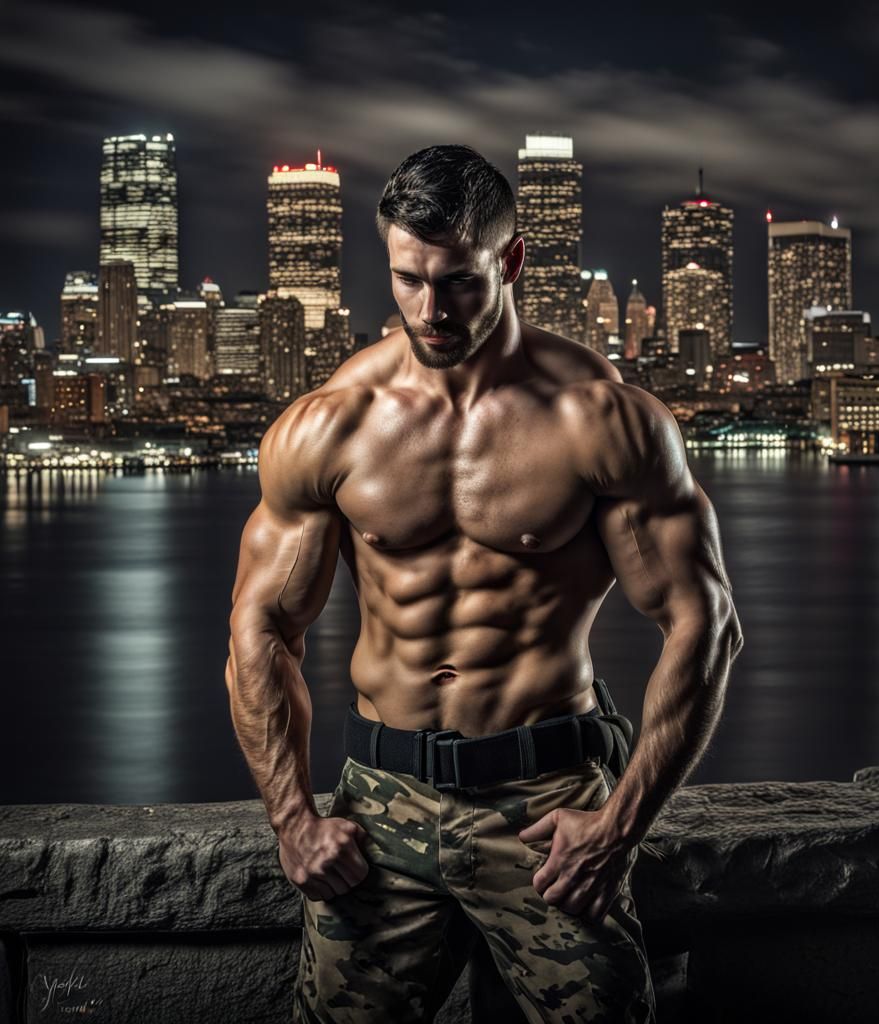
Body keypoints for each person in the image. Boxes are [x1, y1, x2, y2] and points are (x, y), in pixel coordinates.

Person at [225, 143, 743, 1023]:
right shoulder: (331, 425)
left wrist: (618, 827)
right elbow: (260, 628)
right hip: (380, 804)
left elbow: (705, 625)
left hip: (545, 806)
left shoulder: (600, 420)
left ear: (510, 260)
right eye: (407, 279)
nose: (432, 309)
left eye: (459, 281)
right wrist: (292, 820)